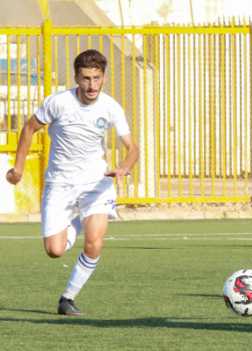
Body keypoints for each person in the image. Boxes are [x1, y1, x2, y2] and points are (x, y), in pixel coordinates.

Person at [6, 49, 139, 315]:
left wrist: (124, 167)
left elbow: (132, 147)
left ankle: (68, 298)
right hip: (60, 183)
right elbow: (29, 128)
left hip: (96, 183)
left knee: (95, 242)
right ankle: (77, 221)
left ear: (104, 78)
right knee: (54, 250)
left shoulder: (111, 107)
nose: (92, 85)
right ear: (77, 78)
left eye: (97, 78)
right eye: (86, 78)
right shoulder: (58, 102)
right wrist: (18, 169)